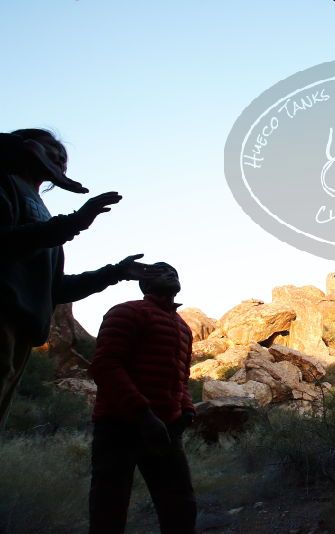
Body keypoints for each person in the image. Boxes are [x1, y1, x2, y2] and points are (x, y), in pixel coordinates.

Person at [0, 128, 164, 426]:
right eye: (51, 148)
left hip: (21, 334)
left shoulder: (44, 213)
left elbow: (56, 288)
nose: (61, 157)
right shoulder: (4, 182)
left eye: (65, 157)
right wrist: (74, 222)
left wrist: (115, 272)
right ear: (28, 146)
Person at [88, 262, 196, 534]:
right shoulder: (126, 312)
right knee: (109, 509)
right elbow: (105, 366)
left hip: (167, 429)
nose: (171, 272)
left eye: (175, 271)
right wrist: (144, 415)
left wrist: (186, 409)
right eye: (161, 270)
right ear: (145, 284)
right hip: (118, 427)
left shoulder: (183, 328)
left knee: (180, 506)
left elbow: (181, 377)